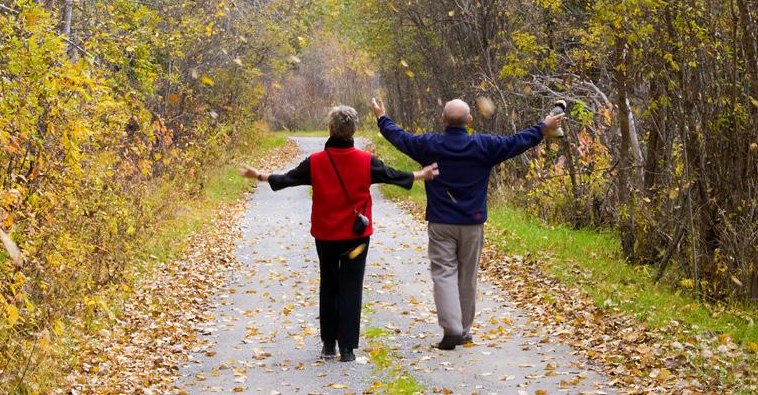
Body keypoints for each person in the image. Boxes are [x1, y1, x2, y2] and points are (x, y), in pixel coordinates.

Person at [239, 105, 439, 362]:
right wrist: (420, 175)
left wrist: (260, 176)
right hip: (356, 238)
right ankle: (347, 348)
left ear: (330, 129)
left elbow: (288, 179)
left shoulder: (315, 162)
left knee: (330, 284)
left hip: (325, 236)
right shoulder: (366, 161)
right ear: (353, 129)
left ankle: (328, 344)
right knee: (351, 287)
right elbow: (392, 175)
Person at [371, 97, 564, 350]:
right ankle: (462, 330)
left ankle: (452, 327)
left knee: (443, 274)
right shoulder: (484, 145)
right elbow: (517, 142)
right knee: (467, 277)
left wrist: (382, 117)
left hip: (441, 223)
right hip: (472, 224)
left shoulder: (428, 144)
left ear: (443, 120)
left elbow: (399, 137)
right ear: (470, 121)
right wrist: (543, 126)